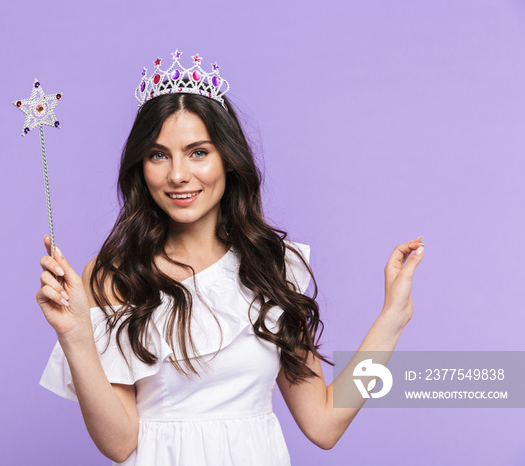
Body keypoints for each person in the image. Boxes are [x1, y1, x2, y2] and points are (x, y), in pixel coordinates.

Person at [35, 51, 425, 465]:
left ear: (228, 158)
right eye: (159, 154)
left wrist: (392, 317)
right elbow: (119, 443)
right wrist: (75, 336)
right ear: (141, 166)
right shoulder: (116, 275)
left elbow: (324, 423)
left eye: (198, 152)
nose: (178, 175)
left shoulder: (271, 267)